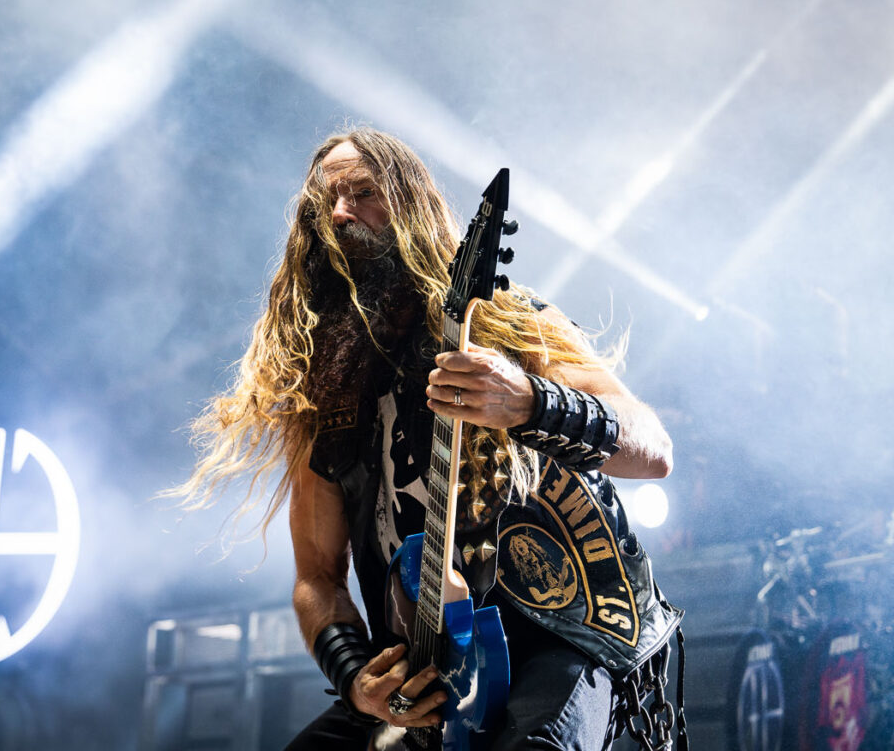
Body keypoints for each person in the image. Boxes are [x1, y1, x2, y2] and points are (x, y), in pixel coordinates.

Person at [170, 127, 682, 750]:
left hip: (553, 630)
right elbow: (318, 578)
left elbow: (652, 449)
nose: (338, 214)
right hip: (427, 665)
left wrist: (529, 401)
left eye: (361, 193)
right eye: (323, 204)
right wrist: (356, 679)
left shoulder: (502, 323)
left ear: (409, 204)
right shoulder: (323, 390)